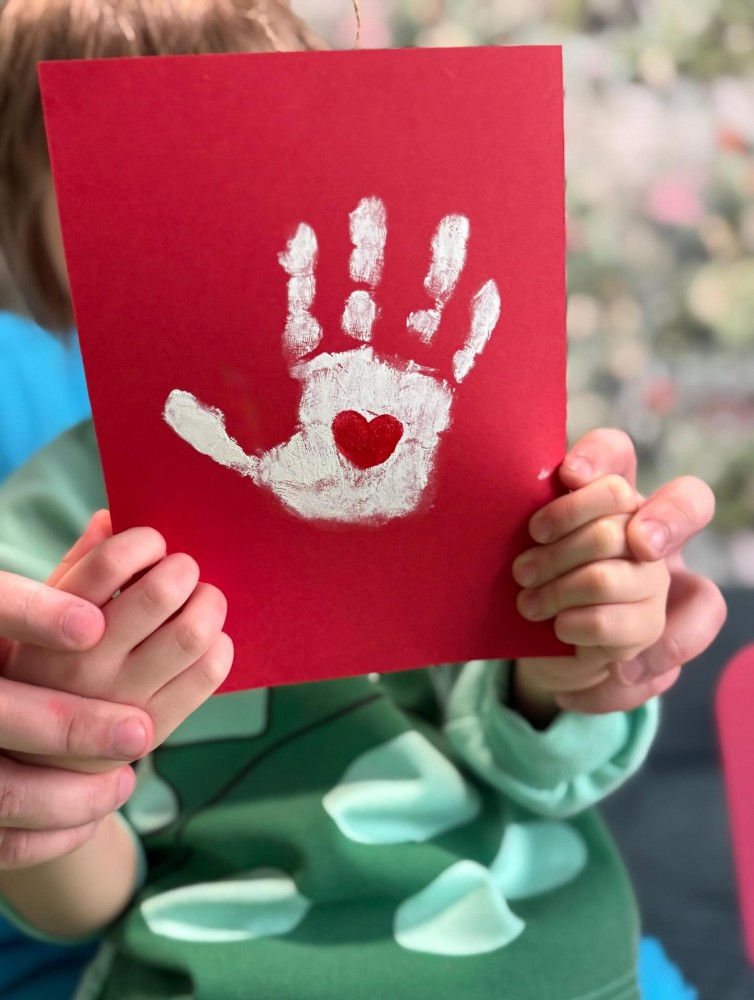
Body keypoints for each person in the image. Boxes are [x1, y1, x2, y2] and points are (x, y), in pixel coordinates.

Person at [0, 3, 726, 999]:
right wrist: (52, 782)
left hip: (537, 961)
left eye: (265, 148)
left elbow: (544, 763)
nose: (226, 205)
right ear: (39, 238)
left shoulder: (473, 440)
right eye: (142, 168)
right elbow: (84, 901)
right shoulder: (40, 542)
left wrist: (587, 638)